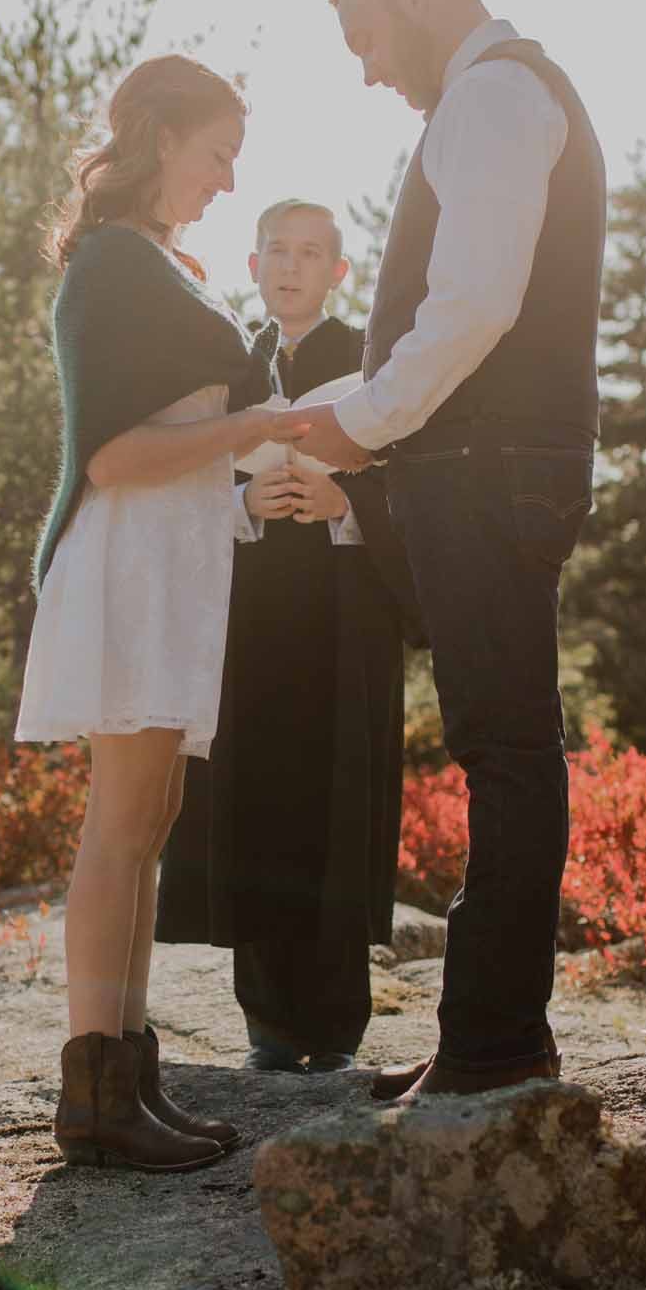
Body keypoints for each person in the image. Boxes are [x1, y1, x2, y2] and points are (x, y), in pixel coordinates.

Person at [292, 0, 607, 1105]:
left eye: (368, 35)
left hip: (486, 466)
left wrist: (362, 423)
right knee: (503, 741)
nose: (368, 67)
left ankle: (494, 1045)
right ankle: (485, 1030)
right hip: (480, 463)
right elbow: (447, 317)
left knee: (508, 747)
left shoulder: (491, 97)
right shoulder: (491, 100)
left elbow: (472, 305)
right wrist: (323, 416)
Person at [15, 55, 314, 1171]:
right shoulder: (108, 266)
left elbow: (183, 437)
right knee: (121, 820)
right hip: (127, 561)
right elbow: (116, 453)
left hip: (176, 558)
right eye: (219, 153)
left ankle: (128, 1072)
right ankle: (92, 1086)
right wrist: (246, 435)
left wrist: (255, 472)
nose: (230, 180)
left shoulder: (156, 262)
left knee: (151, 821)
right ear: (161, 137)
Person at [155, 199, 420, 1074]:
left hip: (348, 618)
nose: (293, 265)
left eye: (313, 253)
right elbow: (182, 480)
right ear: (255, 262)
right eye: (278, 250)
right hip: (257, 619)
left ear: (340, 272)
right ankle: (267, 1020)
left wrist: (350, 505)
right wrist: (242, 504)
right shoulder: (232, 370)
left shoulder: (379, 363)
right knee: (259, 800)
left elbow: (421, 484)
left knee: (334, 801)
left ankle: (334, 1024)